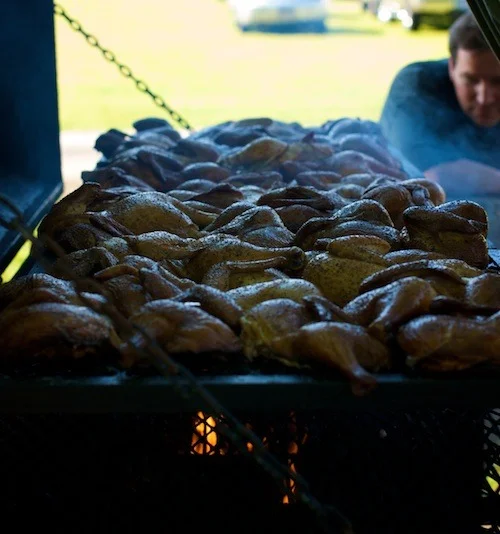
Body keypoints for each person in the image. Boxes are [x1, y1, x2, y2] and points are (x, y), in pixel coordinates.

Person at [379, 11, 500, 195]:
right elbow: (435, 175)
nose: (484, 98)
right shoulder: (416, 85)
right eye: (470, 80)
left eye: (498, 81)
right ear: (452, 67)